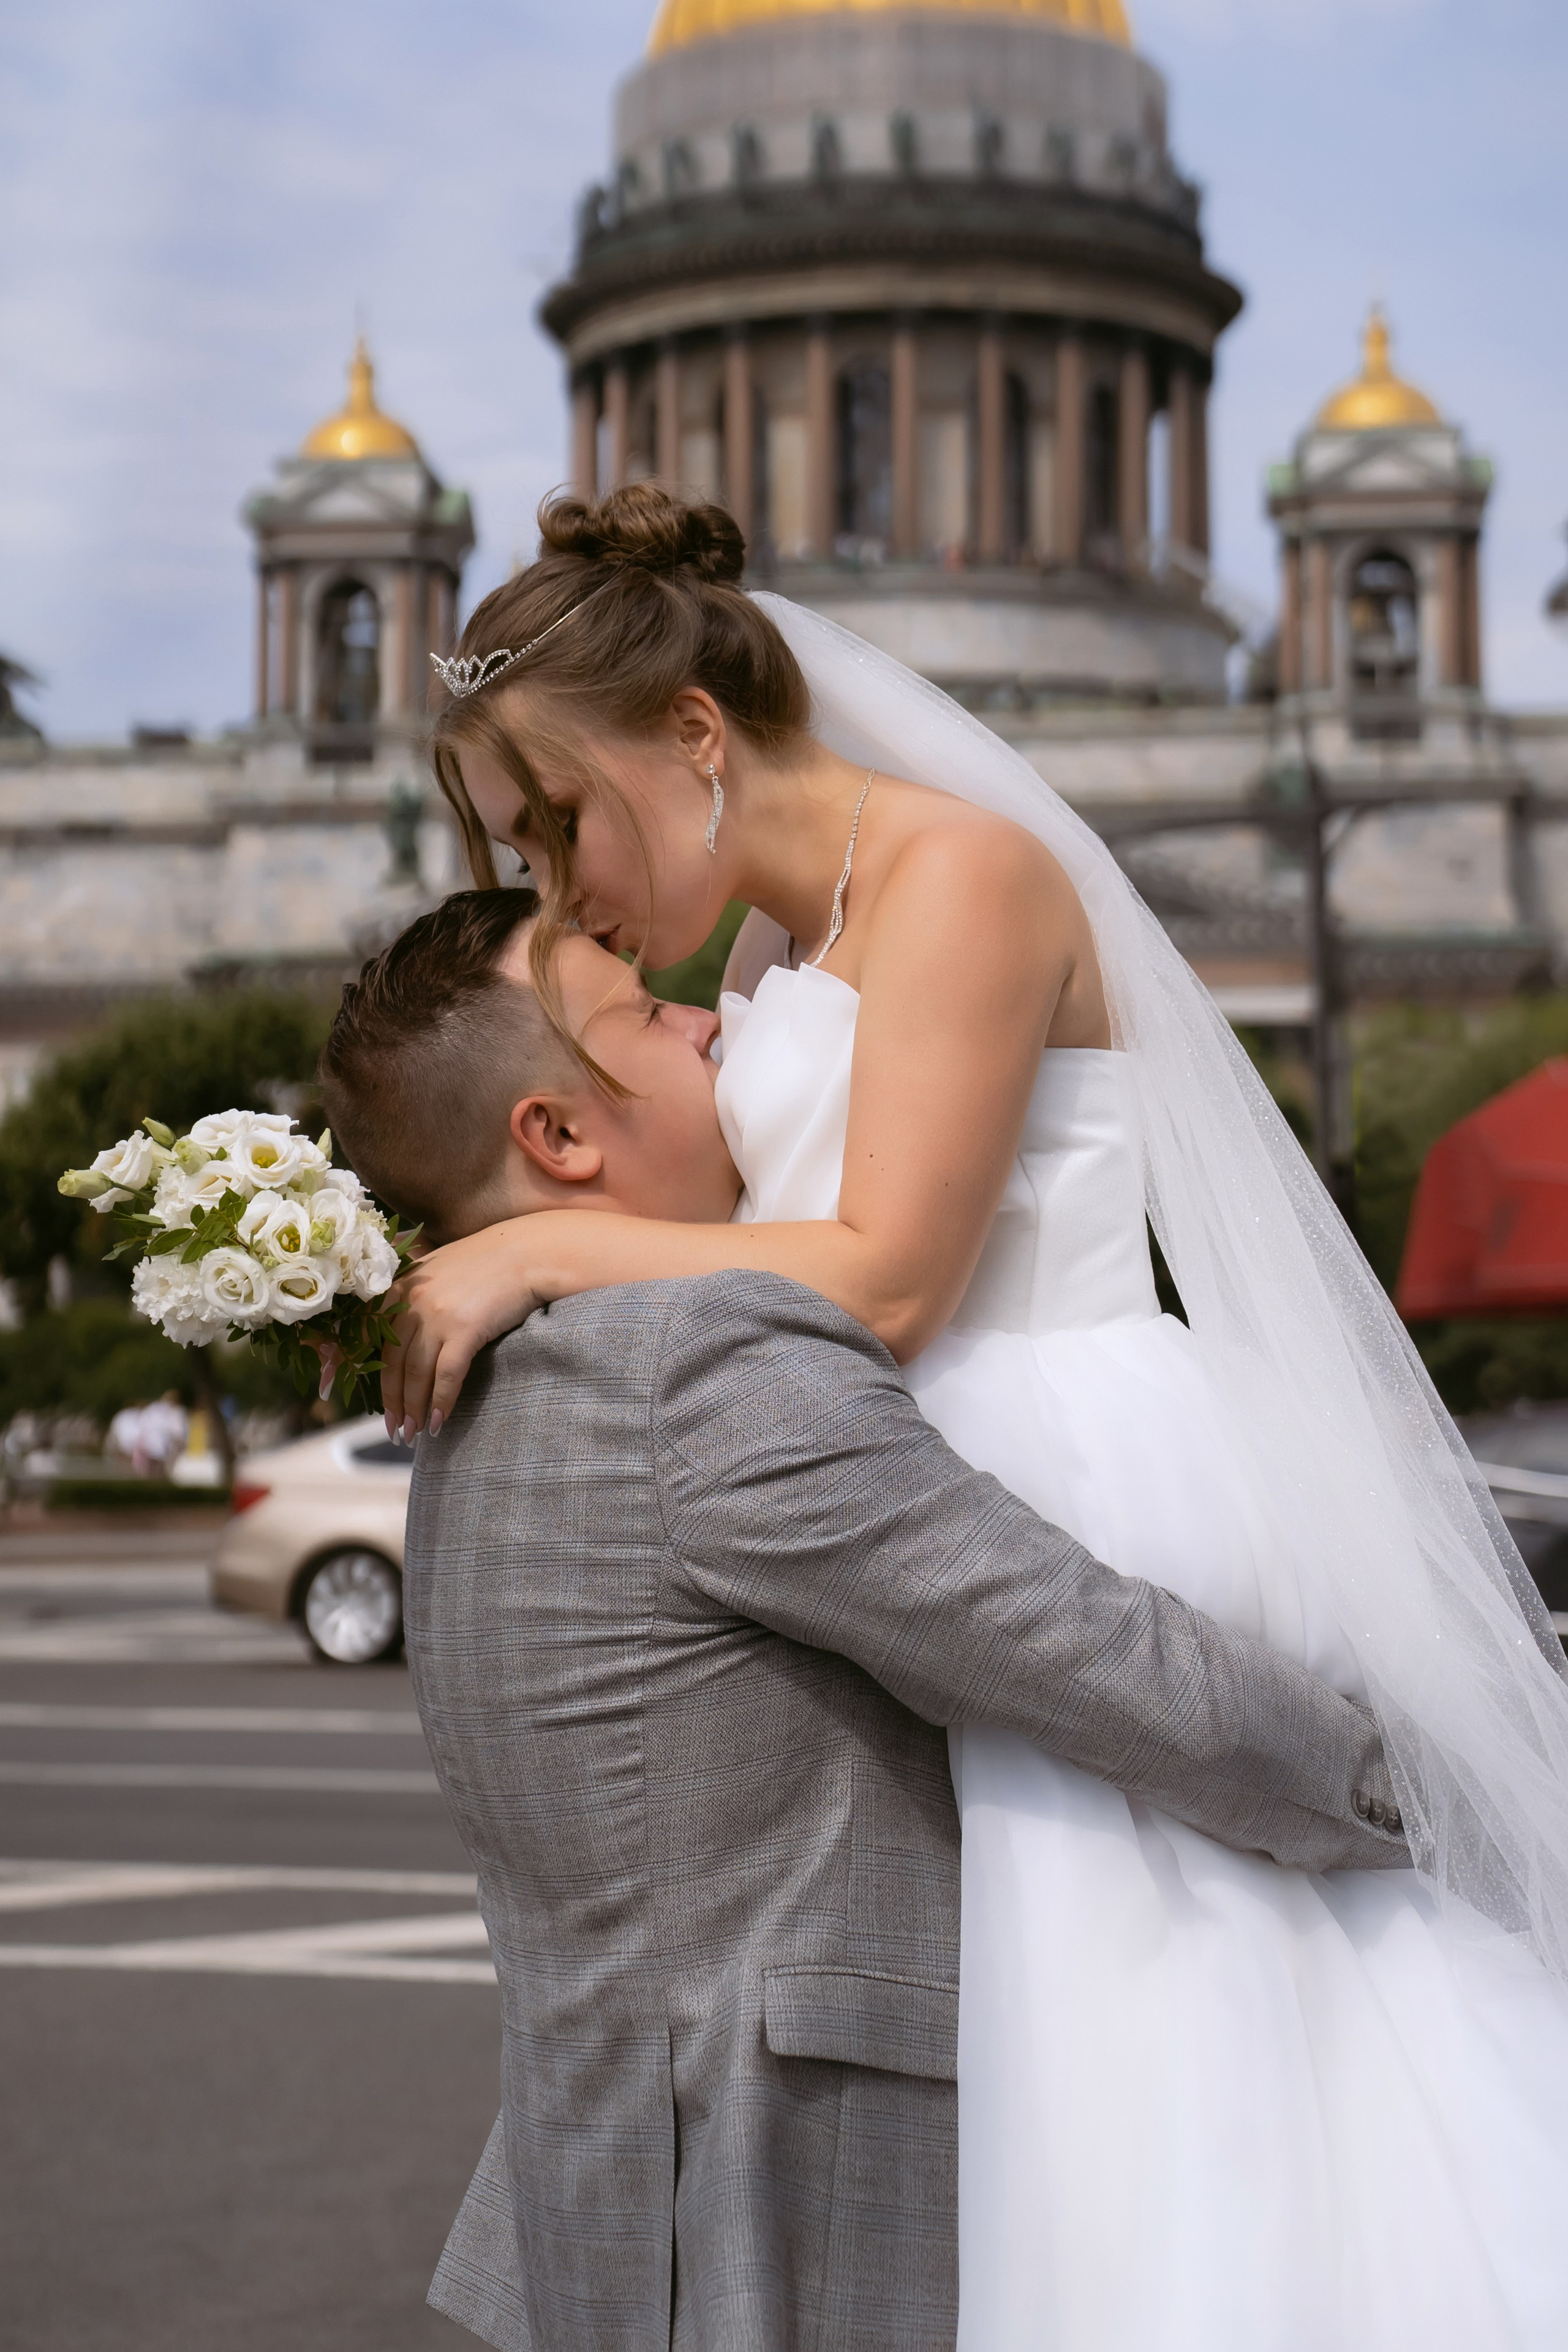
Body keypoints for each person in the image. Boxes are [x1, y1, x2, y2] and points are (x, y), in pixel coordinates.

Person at [381, 484, 1568, 2348]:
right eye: (519, 849)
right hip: (887, 1459)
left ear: (691, 735)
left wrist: (531, 1250)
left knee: (1162, 2015)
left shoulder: (964, 875)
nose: (555, 891)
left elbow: (886, 1277)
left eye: (556, 824)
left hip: (1052, 1457)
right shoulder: (768, 952)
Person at [317, 892, 1411, 2350]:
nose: (707, 1022)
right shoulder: (699, 1366)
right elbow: (1093, 1658)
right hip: (788, 2200)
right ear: (559, 1134)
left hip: (606, 2190)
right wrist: (1420, 1796)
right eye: (646, 1014)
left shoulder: (490, 1400)